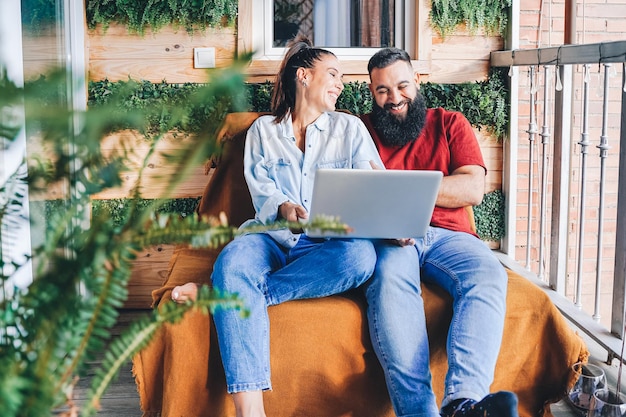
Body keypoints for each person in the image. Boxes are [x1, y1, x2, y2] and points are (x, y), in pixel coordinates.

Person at [171, 35, 384, 417]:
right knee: (234, 264)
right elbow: (262, 191)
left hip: (325, 245)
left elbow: (375, 187)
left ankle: (223, 295)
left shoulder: (350, 130)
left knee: (360, 258)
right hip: (268, 236)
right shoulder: (263, 132)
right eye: (332, 74)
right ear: (304, 76)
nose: (341, 83)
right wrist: (284, 206)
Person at [361, 47, 519, 417]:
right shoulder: (361, 129)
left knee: (488, 274)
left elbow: (471, 190)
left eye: (402, 86)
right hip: (392, 237)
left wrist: (397, 187)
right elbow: (362, 193)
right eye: (382, 91)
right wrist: (427, 192)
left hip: (451, 238)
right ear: (371, 91)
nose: (394, 98)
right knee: (388, 285)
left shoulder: (450, 123)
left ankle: (462, 403)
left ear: (417, 81)